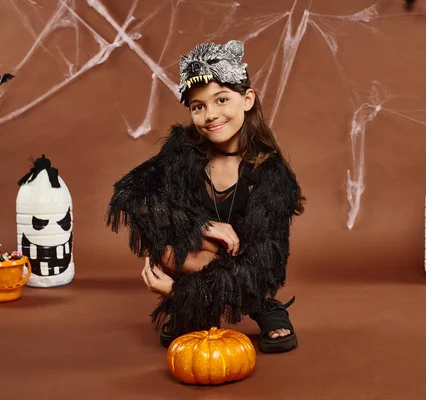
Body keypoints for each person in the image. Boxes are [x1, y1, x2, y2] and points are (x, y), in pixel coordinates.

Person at [106, 40, 305, 353]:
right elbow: (130, 194)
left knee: (253, 274)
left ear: (247, 99)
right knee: (167, 243)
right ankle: (200, 308)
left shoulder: (271, 174)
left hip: (247, 265)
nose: (211, 115)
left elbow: (262, 266)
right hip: (204, 254)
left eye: (222, 99)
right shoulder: (184, 150)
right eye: (198, 106)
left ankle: (264, 305)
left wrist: (178, 292)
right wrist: (202, 225)